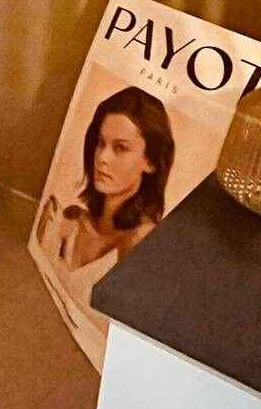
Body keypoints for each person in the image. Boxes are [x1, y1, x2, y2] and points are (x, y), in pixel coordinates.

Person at [36, 86, 175, 271]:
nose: (102, 157)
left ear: (151, 161)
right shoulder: (69, 220)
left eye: (121, 147)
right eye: (101, 143)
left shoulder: (141, 242)